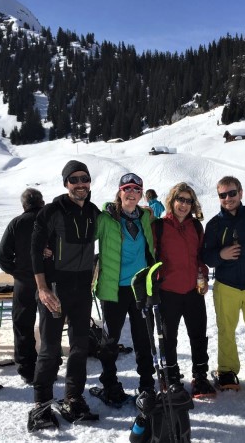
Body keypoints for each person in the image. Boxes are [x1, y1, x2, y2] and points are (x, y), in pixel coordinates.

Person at [28, 160, 100, 431]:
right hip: (55, 289)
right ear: (66, 183)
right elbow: (35, 250)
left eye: (84, 179)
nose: (80, 184)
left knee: (80, 346)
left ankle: (73, 397)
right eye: (74, 180)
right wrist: (42, 287)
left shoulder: (93, 211)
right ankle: (41, 404)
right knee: (49, 349)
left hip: (81, 290)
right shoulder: (51, 211)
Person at [202, 176, 245, 394]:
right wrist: (220, 255)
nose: (228, 198)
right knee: (226, 331)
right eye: (223, 195)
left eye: (232, 193)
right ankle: (227, 371)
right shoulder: (214, 224)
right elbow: (207, 256)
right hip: (227, 285)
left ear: (241, 193)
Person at [94, 172, 156, 405]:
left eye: (136, 190)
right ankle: (109, 383)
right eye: (127, 189)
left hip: (139, 288)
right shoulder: (105, 219)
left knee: (143, 338)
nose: (131, 193)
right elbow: (82, 239)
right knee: (110, 339)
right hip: (114, 290)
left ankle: (147, 384)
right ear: (119, 192)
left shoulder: (146, 217)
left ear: (141, 194)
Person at [152, 182, 216, 397]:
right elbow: (151, 256)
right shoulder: (159, 227)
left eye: (189, 201)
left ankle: (200, 376)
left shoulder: (196, 227)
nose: (184, 205)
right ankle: (170, 377)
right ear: (172, 201)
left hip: (192, 291)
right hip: (168, 291)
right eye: (180, 199)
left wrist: (203, 277)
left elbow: (199, 257)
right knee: (169, 338)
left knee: (198, 335)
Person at [0, 188, 45, 385]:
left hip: (24, 282)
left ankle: (27, 369)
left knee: (23, 324)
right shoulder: (50, 220)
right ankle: (50, 363)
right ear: (41, 202)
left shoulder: (16, 223)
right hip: (49, 282)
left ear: (24, 205)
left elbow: (3, 258)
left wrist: (18, 271)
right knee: (48, 324)